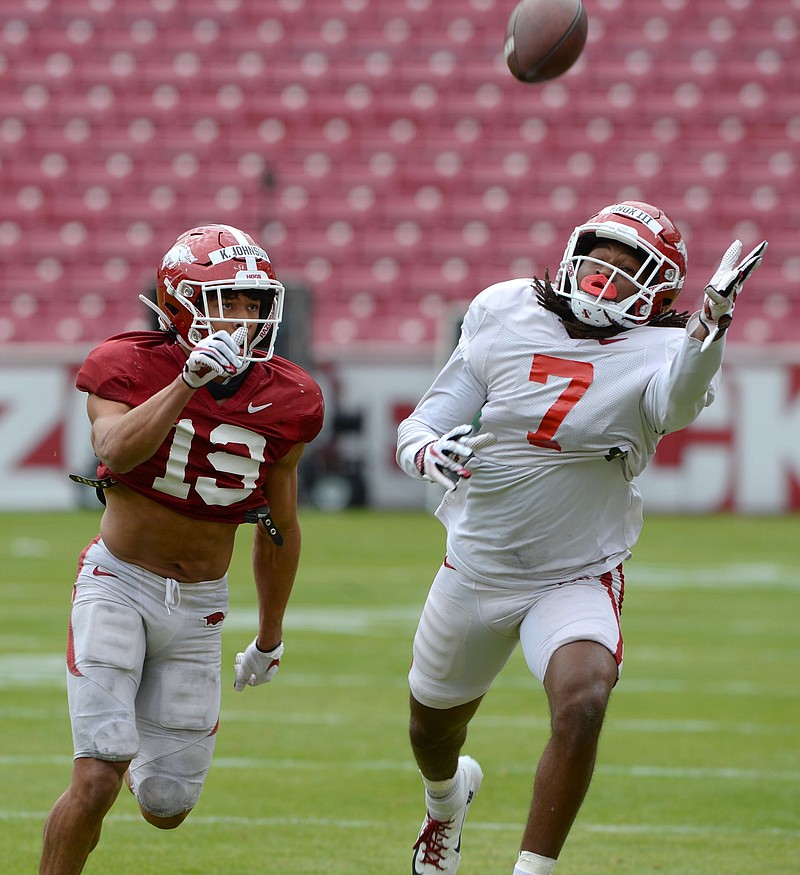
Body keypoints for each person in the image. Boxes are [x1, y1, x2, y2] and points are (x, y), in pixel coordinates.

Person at [396, 201, 766, 875]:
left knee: (585, 695)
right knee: (430, 730)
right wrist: (426, 454)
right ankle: (446, 802)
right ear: (573, 253)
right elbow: (420, 424)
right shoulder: (505, 311)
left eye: (629, 271)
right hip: (475, 567)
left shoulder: (665, 349)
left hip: (575, 573)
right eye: (600, 260)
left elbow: (678, 400)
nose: (606, 278)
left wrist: (709, 330)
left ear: (657, 293)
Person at [40, 224, 324, 875]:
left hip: (200, 608)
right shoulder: (129, 363)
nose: (246, 318)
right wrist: (187, 383)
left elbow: (279, 522)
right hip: (119, 584)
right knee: (97, 779)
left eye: (254, 302)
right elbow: (112, 451)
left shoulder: (289, 396)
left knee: (167, 803)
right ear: (179, 303)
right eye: (229, 300)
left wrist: (271, 633)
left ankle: (131, 754)